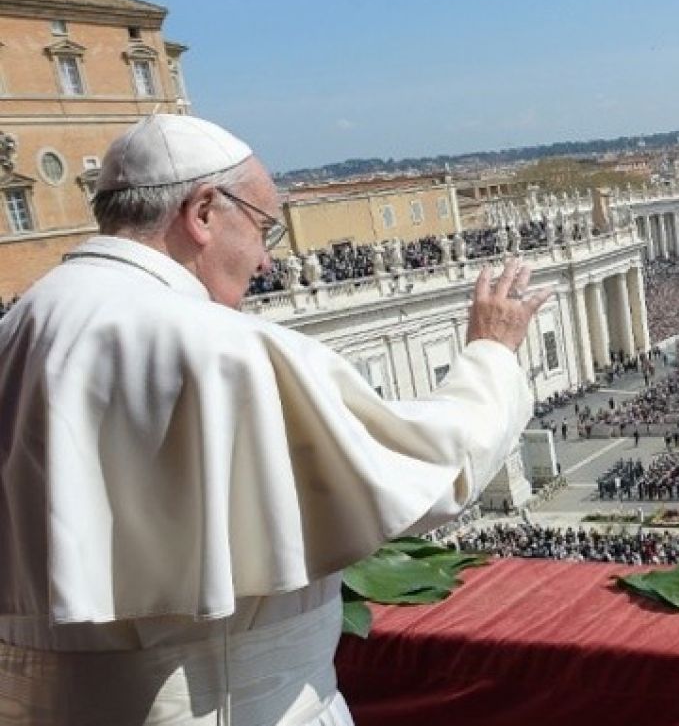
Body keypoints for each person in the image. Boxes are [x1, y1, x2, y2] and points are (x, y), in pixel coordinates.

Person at [0, 115, 551, 726]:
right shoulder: (221, 348)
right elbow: (426, 469)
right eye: (264, 229)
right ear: (203, 212)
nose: (266, 261)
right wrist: (492, 354)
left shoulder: (18, 329)